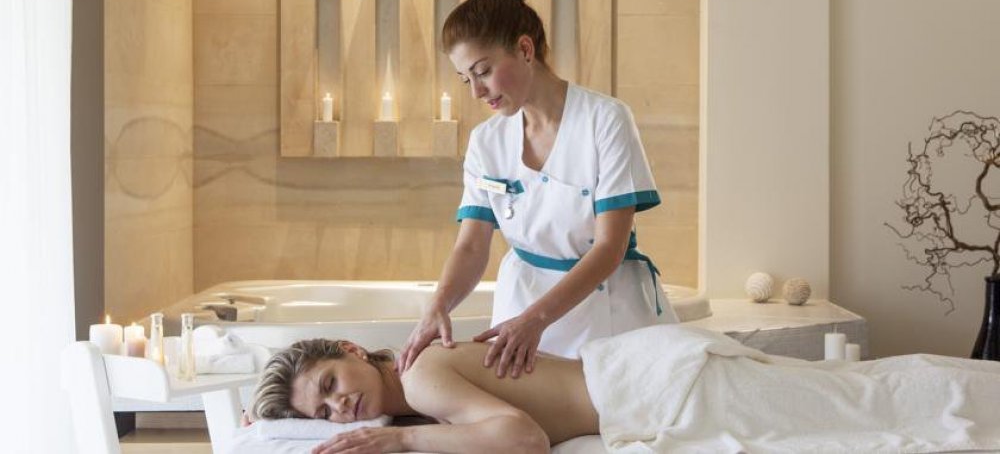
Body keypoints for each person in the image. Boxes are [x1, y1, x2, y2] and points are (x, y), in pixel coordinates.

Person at [398, 0, 677, 379]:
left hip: (607, 313)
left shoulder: (605, 120)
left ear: (525, 49)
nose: (476, 91)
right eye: (465, 79)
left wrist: (536, 319)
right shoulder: (486, 141)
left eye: (483, 71)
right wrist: (438, 305)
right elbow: (471, 247)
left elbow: (609, 247)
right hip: (519, 311)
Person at [249, 326, 1000, 454]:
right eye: (324, 411)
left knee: (865, 403)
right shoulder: (420, 382)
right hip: (651, 379)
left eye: (330, 383)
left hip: (661, 389)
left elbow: (522, 439)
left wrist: (402, 443)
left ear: (353, 351)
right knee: (856, 393)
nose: (339, 407)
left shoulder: (418, 377)